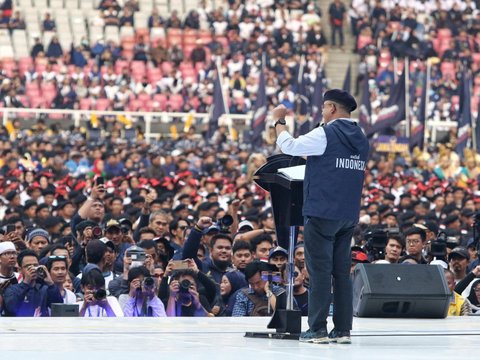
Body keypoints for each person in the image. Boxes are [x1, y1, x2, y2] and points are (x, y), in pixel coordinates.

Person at [274, 89, 369, 344]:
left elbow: (289, 146)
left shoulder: (326, 133)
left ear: (332, 109)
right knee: (341, 274)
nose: (323, 112)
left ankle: (317, 329)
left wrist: (279, 122)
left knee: (318, 272)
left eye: (325, 108)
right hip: (347, 215)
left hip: (321, 212)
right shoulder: (361, 137)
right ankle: (343, 330)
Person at [3, 249, 63, 316]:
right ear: (20, 270)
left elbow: (59, 308)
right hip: (20, 325)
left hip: (41, 325)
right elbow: (12, 307)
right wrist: (26, 283)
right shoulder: (12, 289)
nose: (33, 269)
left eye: (35, 265)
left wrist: (51, 283)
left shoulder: (44, 289)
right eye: (28, 266)